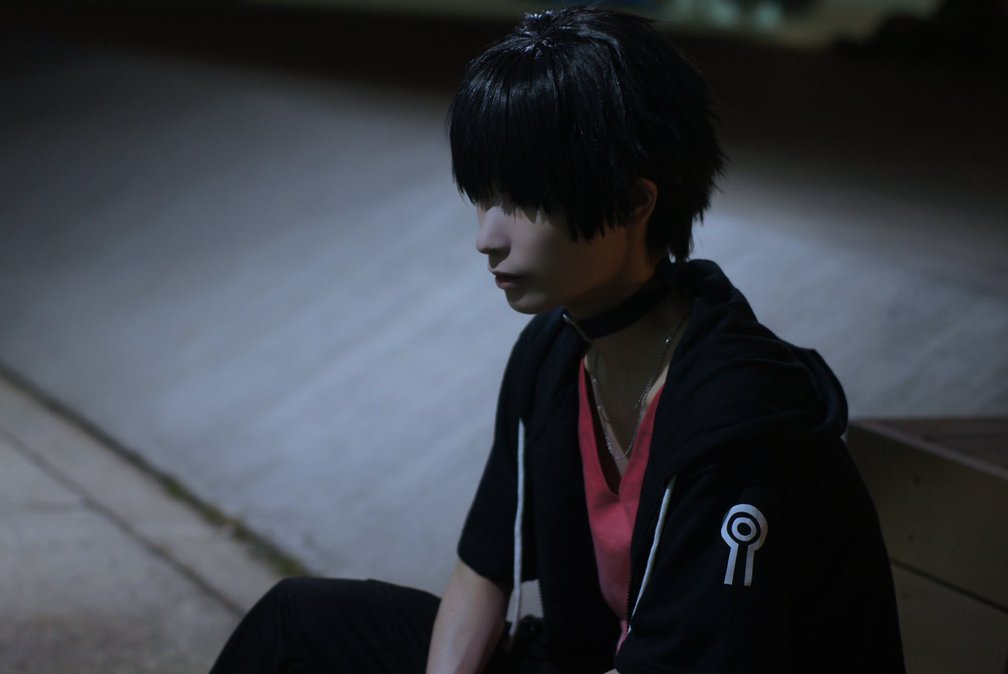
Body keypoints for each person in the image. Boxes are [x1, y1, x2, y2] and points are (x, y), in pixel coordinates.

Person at [209, 7, 904, 673]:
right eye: (483, 197)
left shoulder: (736, 418)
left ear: (634, 202)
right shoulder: (554, 352)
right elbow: (483, 569)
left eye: (524, 200)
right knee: (298, 625)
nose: (487, 237)